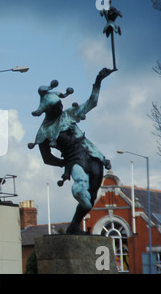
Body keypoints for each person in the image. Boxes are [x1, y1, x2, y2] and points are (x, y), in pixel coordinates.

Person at [28, 68, 114, 234]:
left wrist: (98, 81)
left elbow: (92, 103)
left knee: (93, 193)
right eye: (56, 107)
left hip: (91, 153)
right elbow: (46, 158)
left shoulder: (69, 115)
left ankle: (74, 225)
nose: (60, 108)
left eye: (60, 105)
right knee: (83, 190)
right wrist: (63, 163)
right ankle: (78, 191)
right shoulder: (43, 132)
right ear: (47, 110)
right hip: (74, 160)